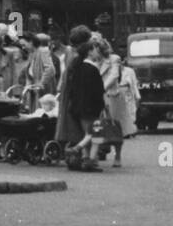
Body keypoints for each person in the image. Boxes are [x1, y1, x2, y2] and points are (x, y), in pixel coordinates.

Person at [55, 26, 104, 172]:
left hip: (74, 98)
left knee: (84, 130)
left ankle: (85, 158)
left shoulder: (73, 54)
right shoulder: (82, 59)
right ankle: (83, 156)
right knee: (92, 131)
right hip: (81, 100)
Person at [91, 36, 131, 167]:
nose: (91, 52)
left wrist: (101, 89)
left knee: (115, 128)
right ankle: (94, 155)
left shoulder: (114, 59)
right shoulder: (92, 62)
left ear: (99, 48)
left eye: (93, 49)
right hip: (97, 98)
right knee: (96, 127)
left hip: (113, 97)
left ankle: (118, 155)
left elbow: (114, 76)